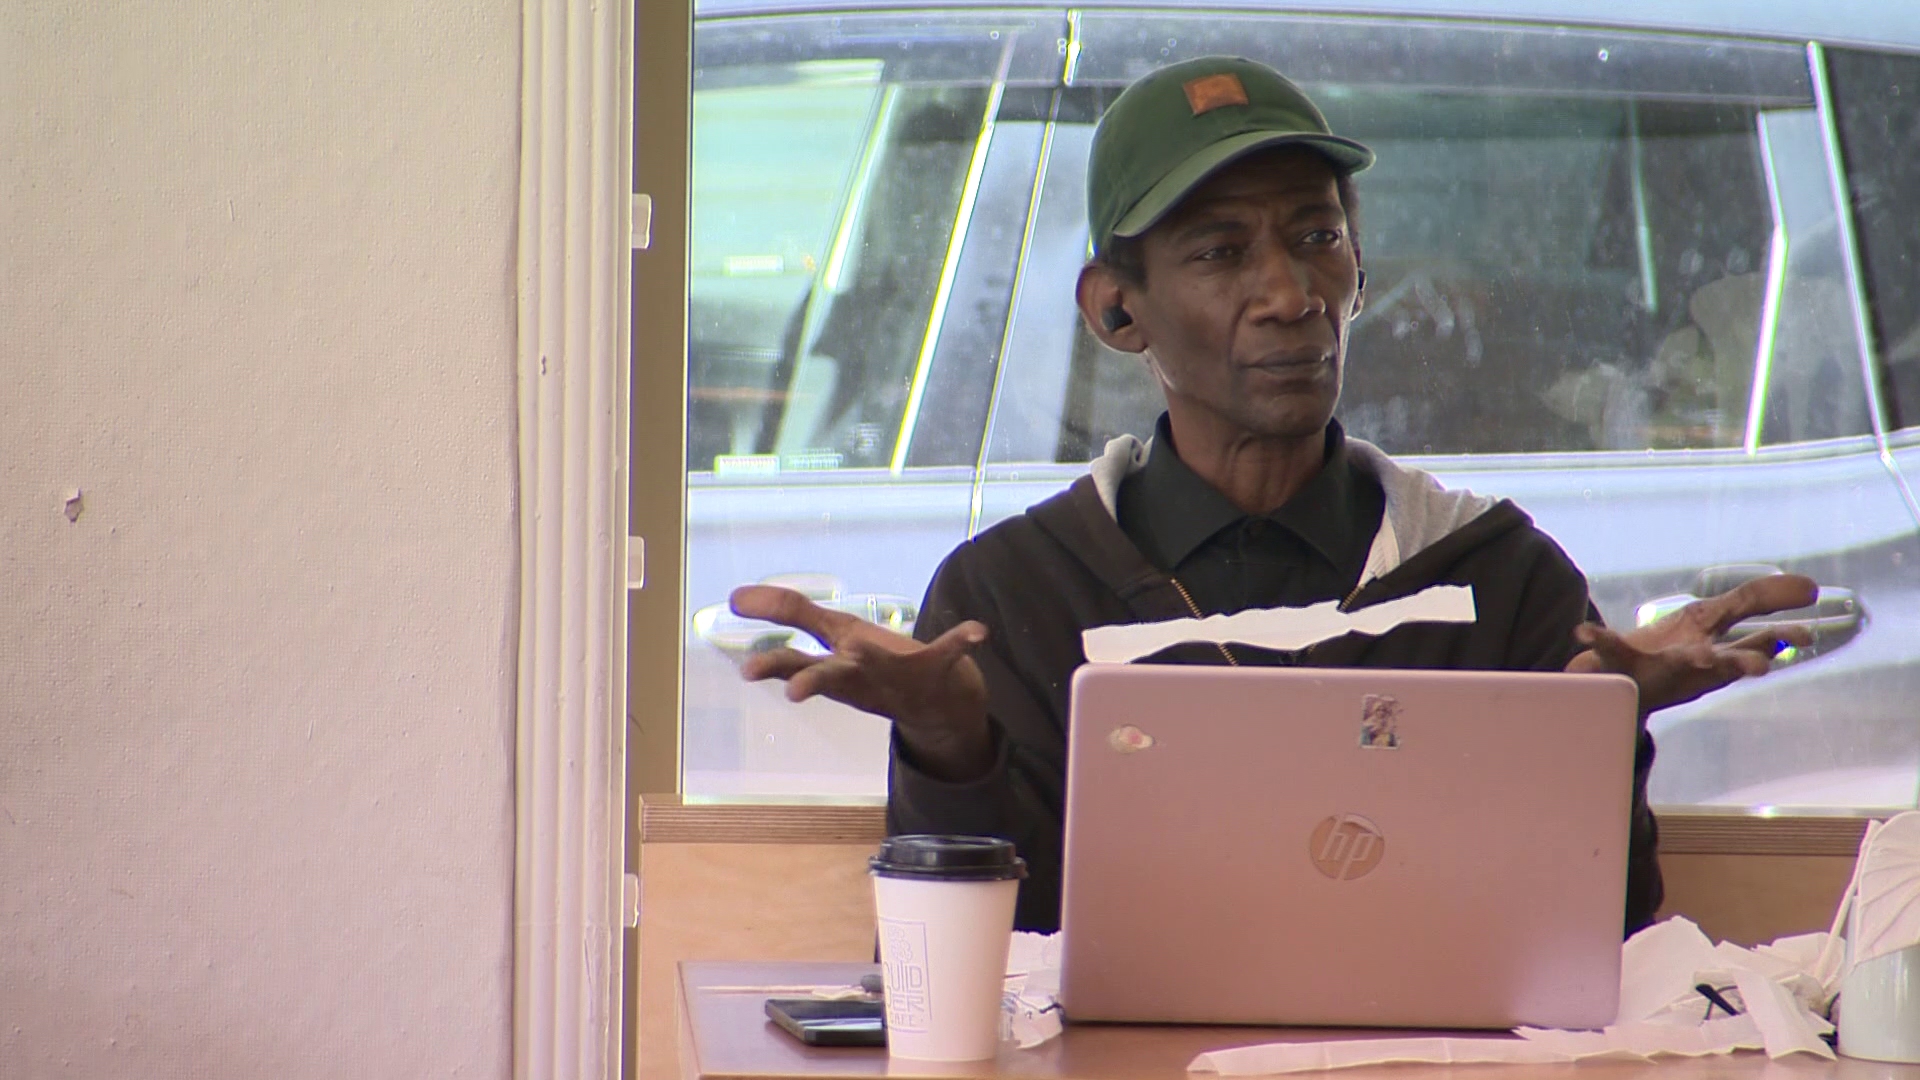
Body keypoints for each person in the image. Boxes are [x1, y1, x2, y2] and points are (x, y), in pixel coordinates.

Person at [729, 56, 1817, 936]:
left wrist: (1600, 731)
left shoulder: (1496, 575)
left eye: (1317, 238)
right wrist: (948, 744)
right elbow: (979, 970)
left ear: (1361, 272)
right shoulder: (1014, 591)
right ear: (1118, 313)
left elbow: (1603, 947)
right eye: (1221, 252)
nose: (1292, 296)